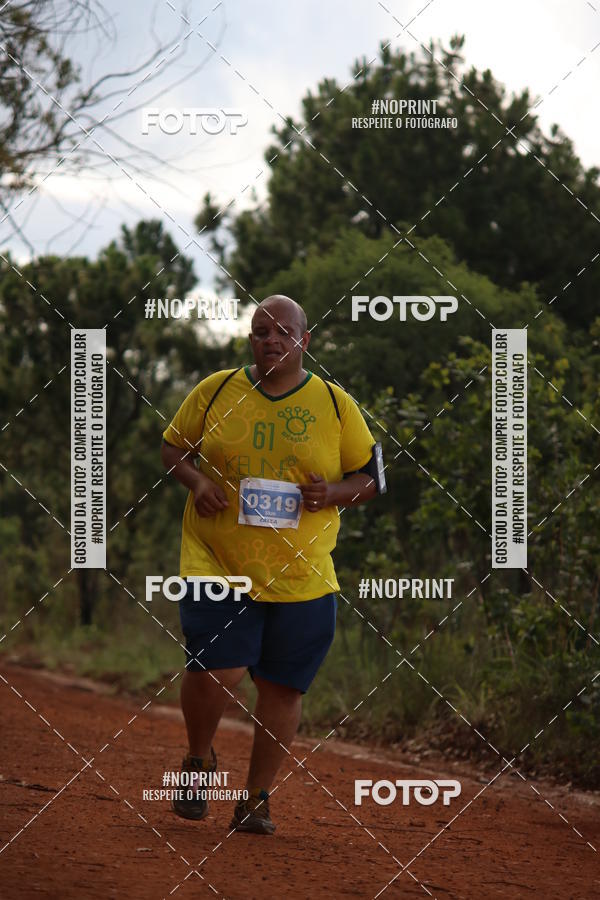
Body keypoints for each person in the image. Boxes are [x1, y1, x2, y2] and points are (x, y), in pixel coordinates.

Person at [161, 294, 382, 834]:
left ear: (304, 340)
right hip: (217, 560)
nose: (271, 340)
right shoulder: (215, 391)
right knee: (219, 670)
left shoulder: (334, 404)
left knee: (282, 688)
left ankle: (256, 799)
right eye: (261, 331)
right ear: (250, 340)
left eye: (283, 331)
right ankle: (198, 760)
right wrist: (199, 482)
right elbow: (173, 450)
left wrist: (332, 493)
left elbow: (372, 478)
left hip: (302, 573)